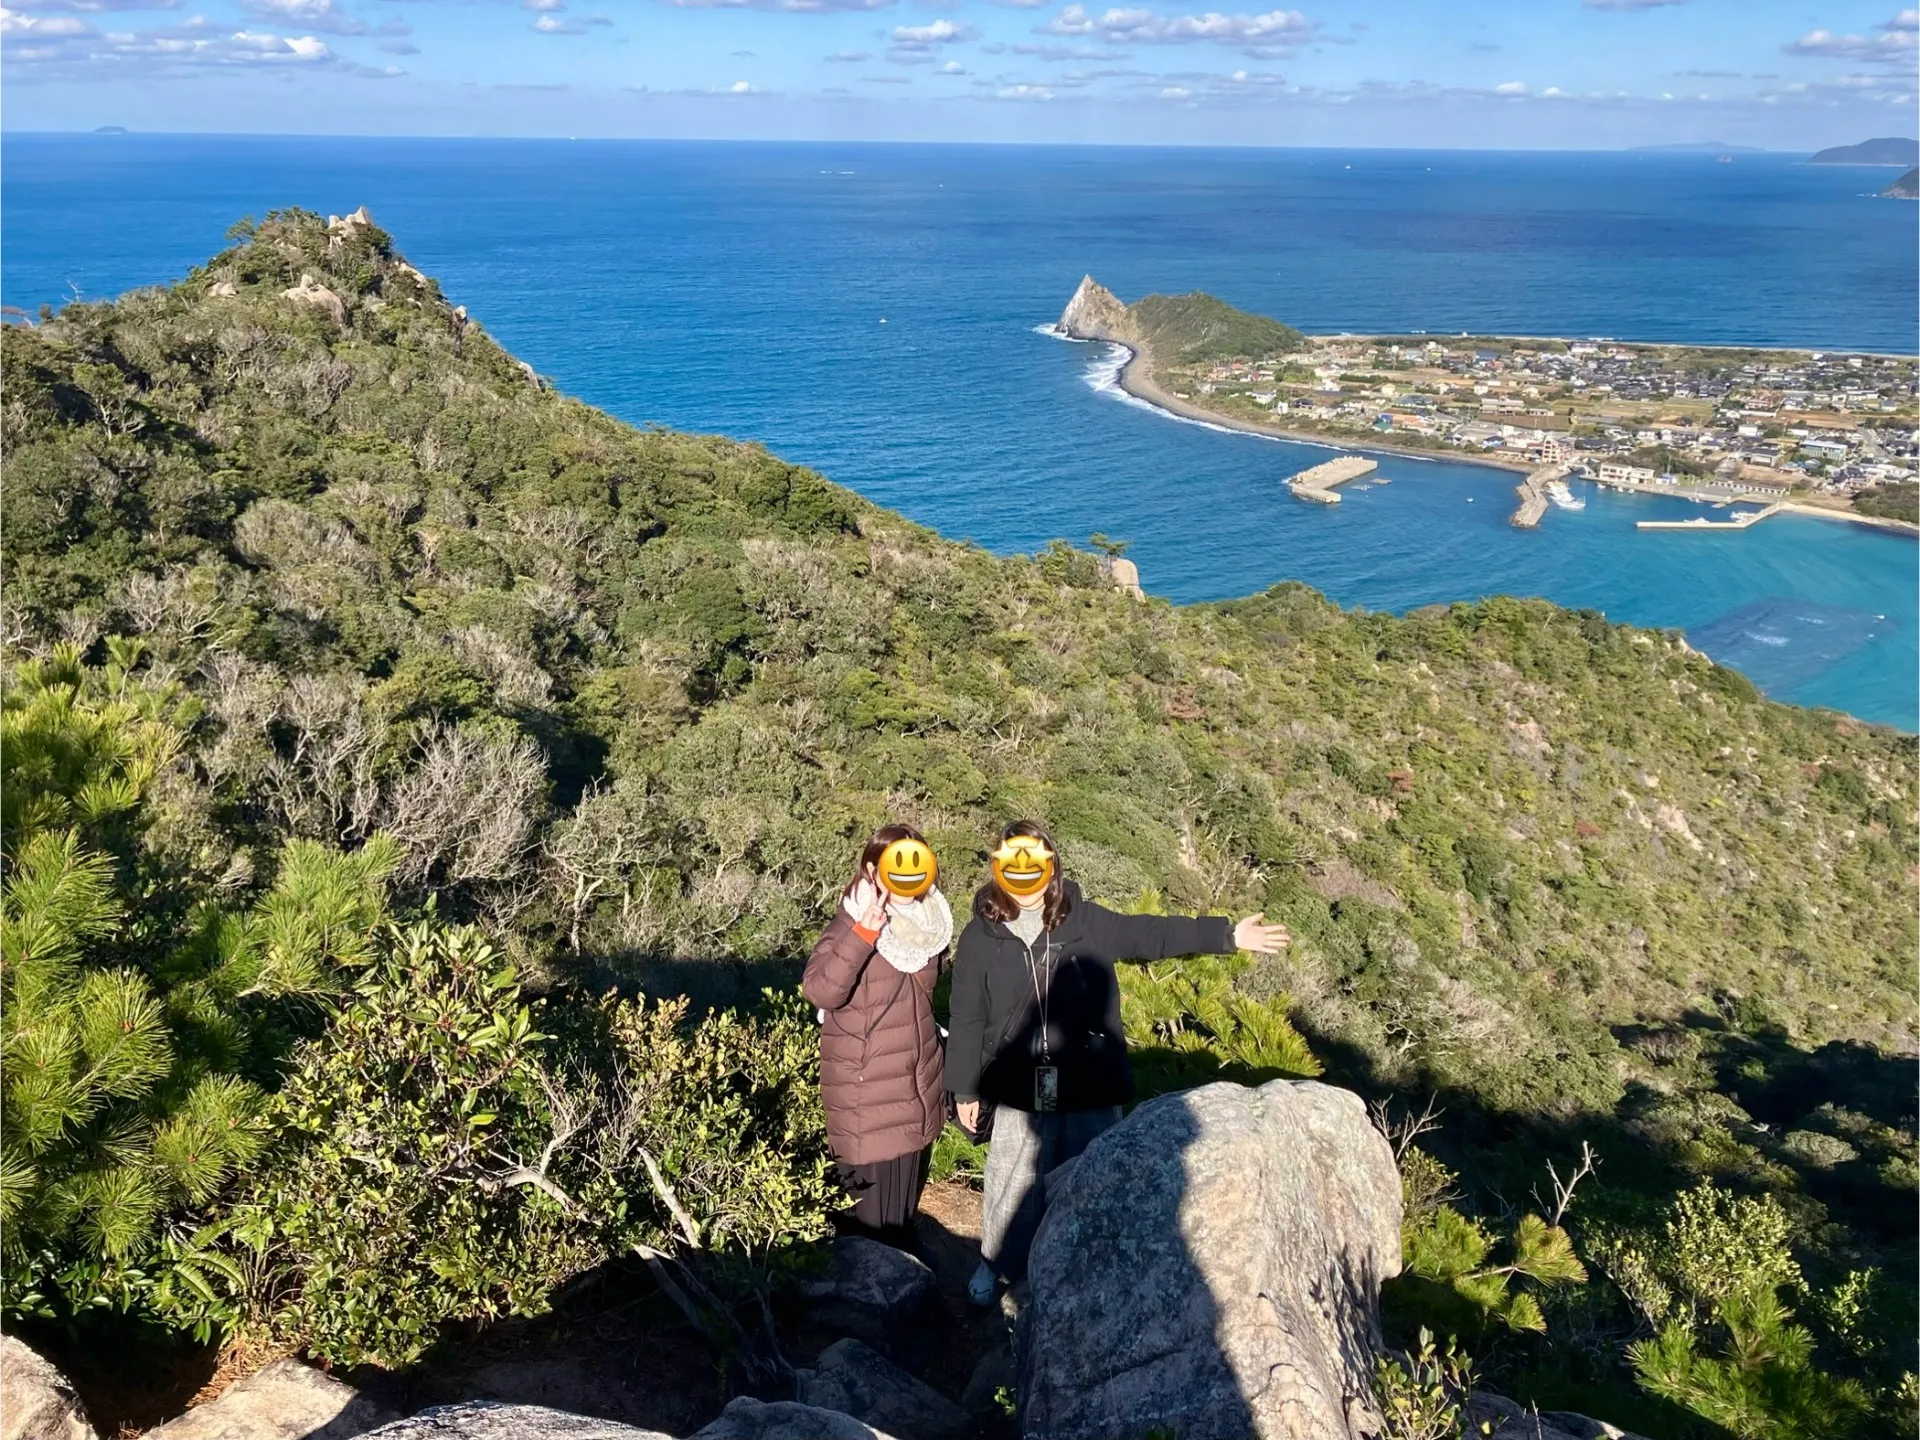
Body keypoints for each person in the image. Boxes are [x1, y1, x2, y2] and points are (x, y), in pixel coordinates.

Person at [945, 820, 1290, 1305]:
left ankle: (1078, 1264)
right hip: (1023, 1081)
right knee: (1012, 1175)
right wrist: (963, 1088)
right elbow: (966, 1016)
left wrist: (1228, 935)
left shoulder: (1084, 922)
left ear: (1052, 866)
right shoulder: (981, 936)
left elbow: (1150, 933)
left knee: (1090, 1172)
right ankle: (998, 1265)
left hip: (1087, 1076)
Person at [803, 824, 953, 1248]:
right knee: (868, 1231)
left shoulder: (931, 923)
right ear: (872, 868)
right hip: (867, 1097)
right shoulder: (850, 923)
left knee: (901, 1219)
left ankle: (906, 1295)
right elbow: (821, 990)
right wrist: (864, 933)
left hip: (915, 1088)